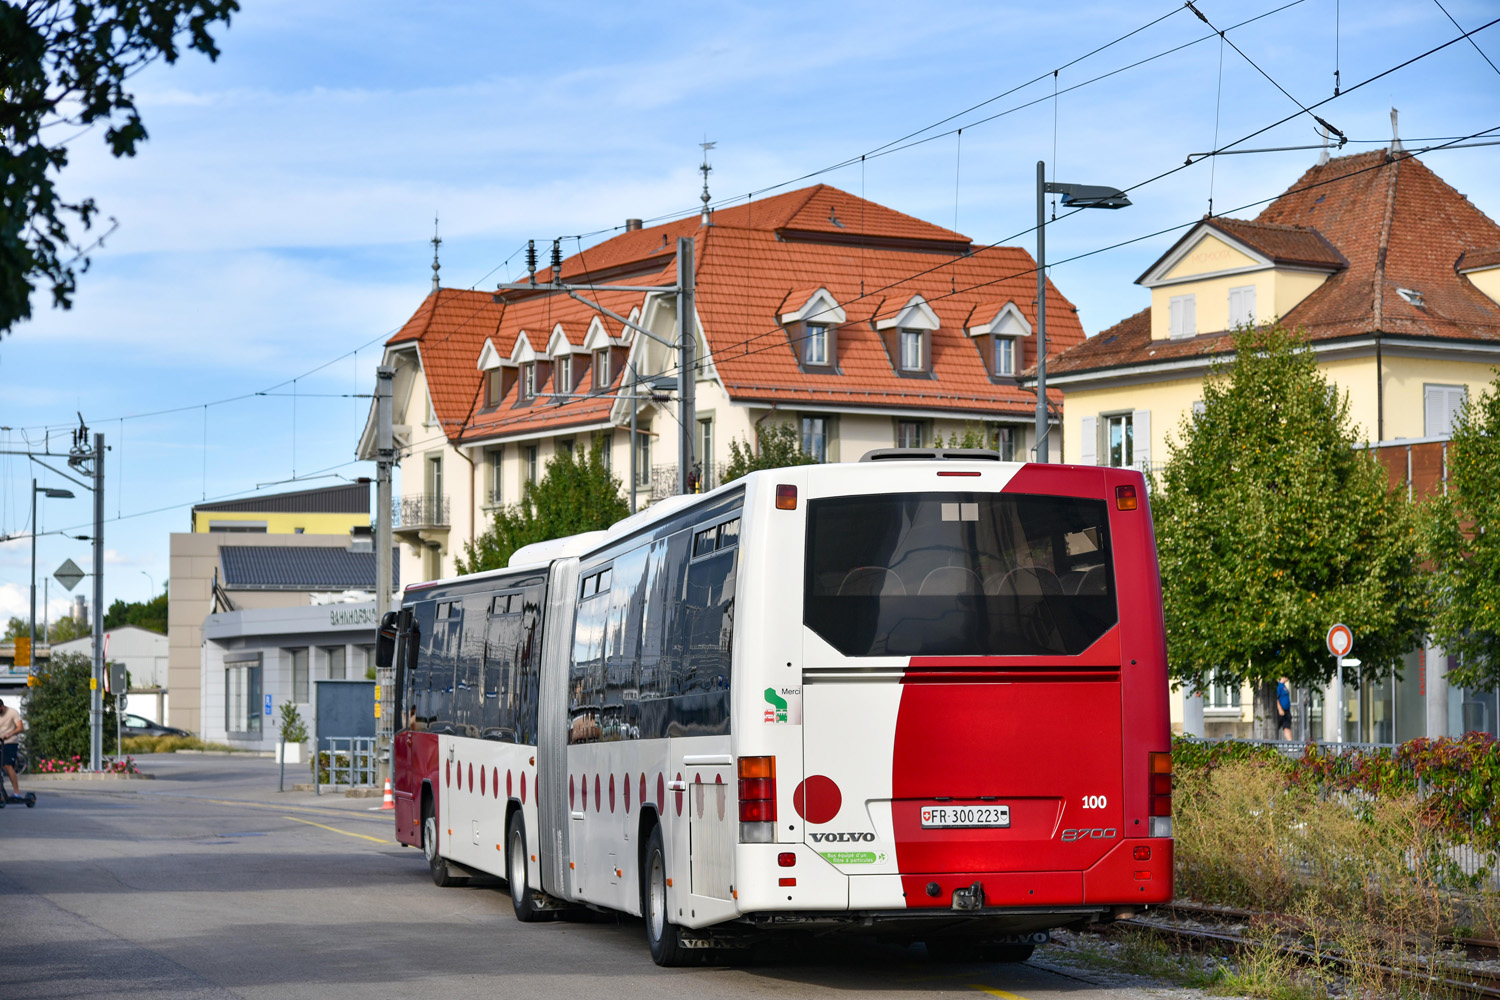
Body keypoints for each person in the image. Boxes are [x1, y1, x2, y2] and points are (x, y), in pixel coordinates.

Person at [0, 697, 24, 798]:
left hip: (10, 742)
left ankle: (16, 792)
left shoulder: (12, 712)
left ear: (2, 707)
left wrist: (10, 734)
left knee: (7, 765)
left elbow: (20, 727)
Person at [1276, 676, 1293, 741]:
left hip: (1286, 711)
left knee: (1287, 727)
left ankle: (1290, 744)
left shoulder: (1284, 686)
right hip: (1280, 711)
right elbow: (1276, 698)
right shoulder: (1278, 686)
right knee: (1275, 727)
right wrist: (1280, 709)